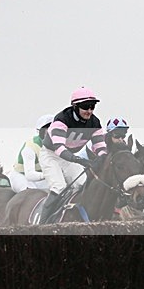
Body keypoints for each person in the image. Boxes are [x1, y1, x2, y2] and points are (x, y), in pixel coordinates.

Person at [38, 87, 107, 224]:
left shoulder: (95, 123)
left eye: (92, 106)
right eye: (85, 106)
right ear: (75, 106)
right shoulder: (61, 119)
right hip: (51, 155)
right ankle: (42, 225)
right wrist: (80, 160)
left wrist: (101, 158)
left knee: (82, 184)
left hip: (69, 156)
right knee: (59, 187)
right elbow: (59, 149)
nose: (89, 111)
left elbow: (100, 147)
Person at [6, 114, 53, 193]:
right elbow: (30, 175)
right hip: (22, 177)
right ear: (41, 132)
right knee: (31, 193)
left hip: (42, 180)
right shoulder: (30, 147)